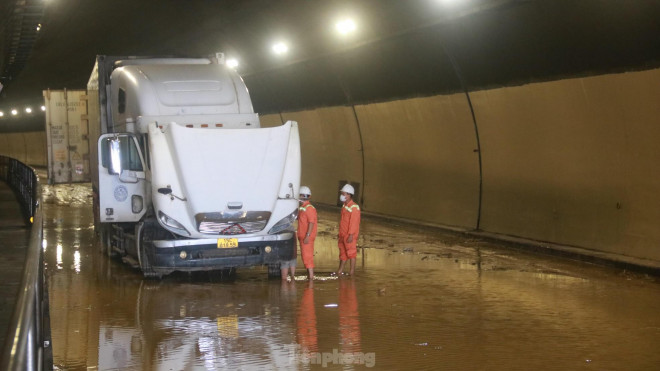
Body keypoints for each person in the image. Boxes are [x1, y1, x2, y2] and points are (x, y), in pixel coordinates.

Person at [336, 183, 360, 276]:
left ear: (349, 195)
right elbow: (343, 221)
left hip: (349, 235)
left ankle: (352, 273)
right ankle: (340, 271)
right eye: (342, 193)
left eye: (344, 194)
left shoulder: (354, 207)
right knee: (343, 253)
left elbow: (354, 223)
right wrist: (340, 233)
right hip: (343, 234)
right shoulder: (344, 206)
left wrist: (350, 235)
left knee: (351, 254)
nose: (342, 196)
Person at [297, 186, 317, 280]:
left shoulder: (309, 208)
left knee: (307, 257)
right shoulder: (303, 208)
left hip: (306, 237)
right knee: (305, 256)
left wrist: (307, 235)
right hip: (303, 236)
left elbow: (311, 222)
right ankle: (309, 276)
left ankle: (311, 277)